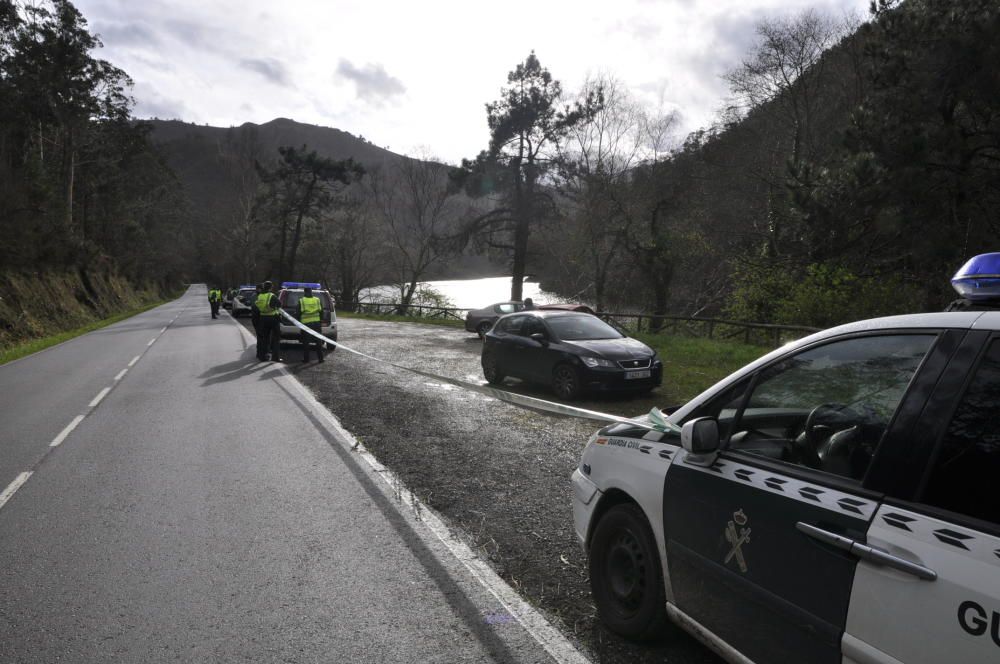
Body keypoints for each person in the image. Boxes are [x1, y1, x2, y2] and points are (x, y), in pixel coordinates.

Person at [255, 281, 282, 362]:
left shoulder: (260, 296)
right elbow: (279, 304)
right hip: (273, 318)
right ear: (271, 287)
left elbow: (257, 305)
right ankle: (275, 357)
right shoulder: (271, 296)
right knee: (276, 338)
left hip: (263, 318)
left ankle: (263, 357)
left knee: (265, 338)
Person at [298, 286, 324, 363]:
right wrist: (320, 320)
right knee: (318, 341)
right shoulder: (317, 300)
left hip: (306, 324)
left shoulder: (302, 301)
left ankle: (306, 359)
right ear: (311, 291)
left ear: (305, 292)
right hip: (316, 323)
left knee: (306, 342)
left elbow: (298, 313)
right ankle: (321, 359)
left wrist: (299, 321)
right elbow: (321, 311)